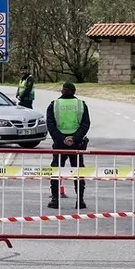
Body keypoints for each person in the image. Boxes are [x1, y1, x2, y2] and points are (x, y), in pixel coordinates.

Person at [45, 81, 91, 209]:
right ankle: (80, 201)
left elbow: (50, 124)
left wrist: (62, 139)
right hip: (77, 144)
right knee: (78, 171)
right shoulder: (81, 105)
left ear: (62, 91)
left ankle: (55, 200)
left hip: (60, 143)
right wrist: (74, 138)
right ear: (74, 92)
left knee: (55, 171)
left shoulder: (54, 105)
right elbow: (85, 124)